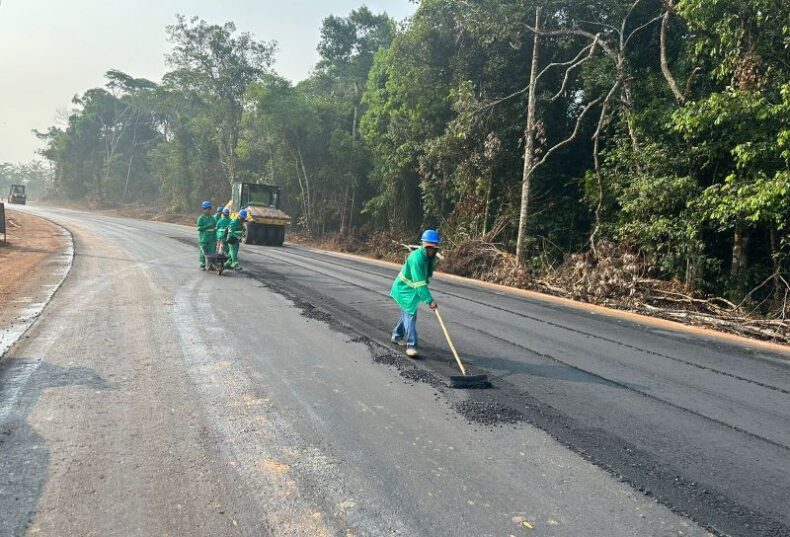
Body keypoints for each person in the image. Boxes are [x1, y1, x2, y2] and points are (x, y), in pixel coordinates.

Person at [390, 229, 440, 357]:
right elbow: (420, 283)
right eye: (429, 247)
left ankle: (397, 335)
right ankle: (411, 345)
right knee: (410, 315)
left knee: (406, 314)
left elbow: (425, 277)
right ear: (424, 245)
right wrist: (429, 300)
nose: (431, 250)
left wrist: (426, 296)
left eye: (434, 248)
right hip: (404, 289)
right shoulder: (416, 258)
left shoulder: (430, 258)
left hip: (412, 289)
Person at [196, 200, 216, 270]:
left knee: (211, 252)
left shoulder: (213, 218)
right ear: (203, 209)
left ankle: (210, 264)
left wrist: (215, 239)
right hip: (203, 239)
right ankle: (202, 264)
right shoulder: (201, 218)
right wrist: (207, 226)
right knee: (203, 252)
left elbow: (214, 229)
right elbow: (199, 228)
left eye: (209, 209)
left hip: (211, 239)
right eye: (206, 209)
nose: (208, 210)